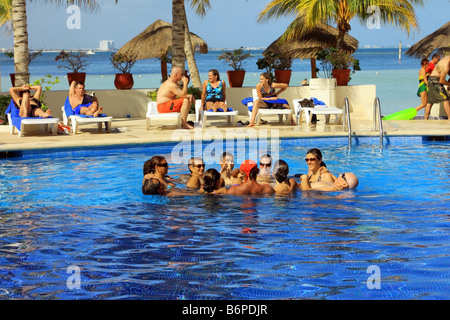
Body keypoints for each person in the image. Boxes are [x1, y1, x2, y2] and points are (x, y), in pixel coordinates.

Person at [427, 55, 450, 120]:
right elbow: (441, 81)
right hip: (435, 80)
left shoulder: (447, 58)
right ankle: (449, 118)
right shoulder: (446, 65)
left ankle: (426, 119)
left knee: (430, 102)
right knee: (445, 99)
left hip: (431, 80)